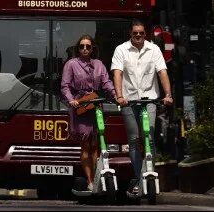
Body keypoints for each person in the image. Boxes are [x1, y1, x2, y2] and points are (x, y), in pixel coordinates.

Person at [112, 21, 173, 199]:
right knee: (133, 140)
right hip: (129, 101)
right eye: (135, 34)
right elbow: (117, 73)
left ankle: (143, 180)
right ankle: (141, 178)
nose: (138, 36)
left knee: (149, 139)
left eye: (141, 33)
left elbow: (162, 72)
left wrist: (168, 94)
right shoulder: (121, 50)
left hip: (149, 100)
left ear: (145, 34)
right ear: (130, 34)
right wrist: (119, 95)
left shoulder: (154, 50)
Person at [60, 34, 115, 192]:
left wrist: (117, 96)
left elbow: (106, 83)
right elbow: (65, 85)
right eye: (82, 46)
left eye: (88, 46)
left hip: (95, 105)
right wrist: (71, 99)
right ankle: (90, 181)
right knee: (85, 144)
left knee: (96, 144)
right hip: (81, 106)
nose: (85, 49)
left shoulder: (98, 64)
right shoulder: (71, 64)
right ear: (78, 48)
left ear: (92, 49)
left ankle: (98, 178)